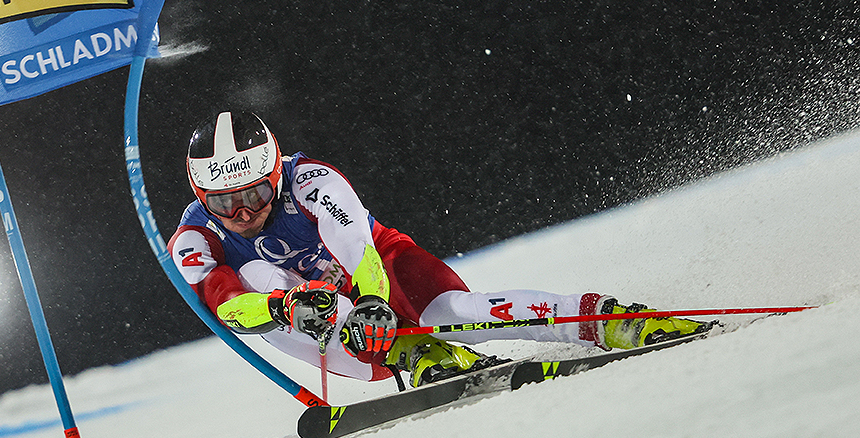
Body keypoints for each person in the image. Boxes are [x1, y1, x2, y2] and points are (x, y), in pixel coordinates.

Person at [168, 111, 711, 388]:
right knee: (266, 283)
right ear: (200, 194)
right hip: (315, 312)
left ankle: (605, 319)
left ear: (275, 172)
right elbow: (225, 305)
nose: (243, 212)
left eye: (257, 193)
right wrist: (283, 307)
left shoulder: (311, 182)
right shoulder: (195, 238)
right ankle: (416, 354)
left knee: (457, 315)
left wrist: (375, 302)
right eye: (224, 202)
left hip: (383, 270)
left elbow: (359, 251)